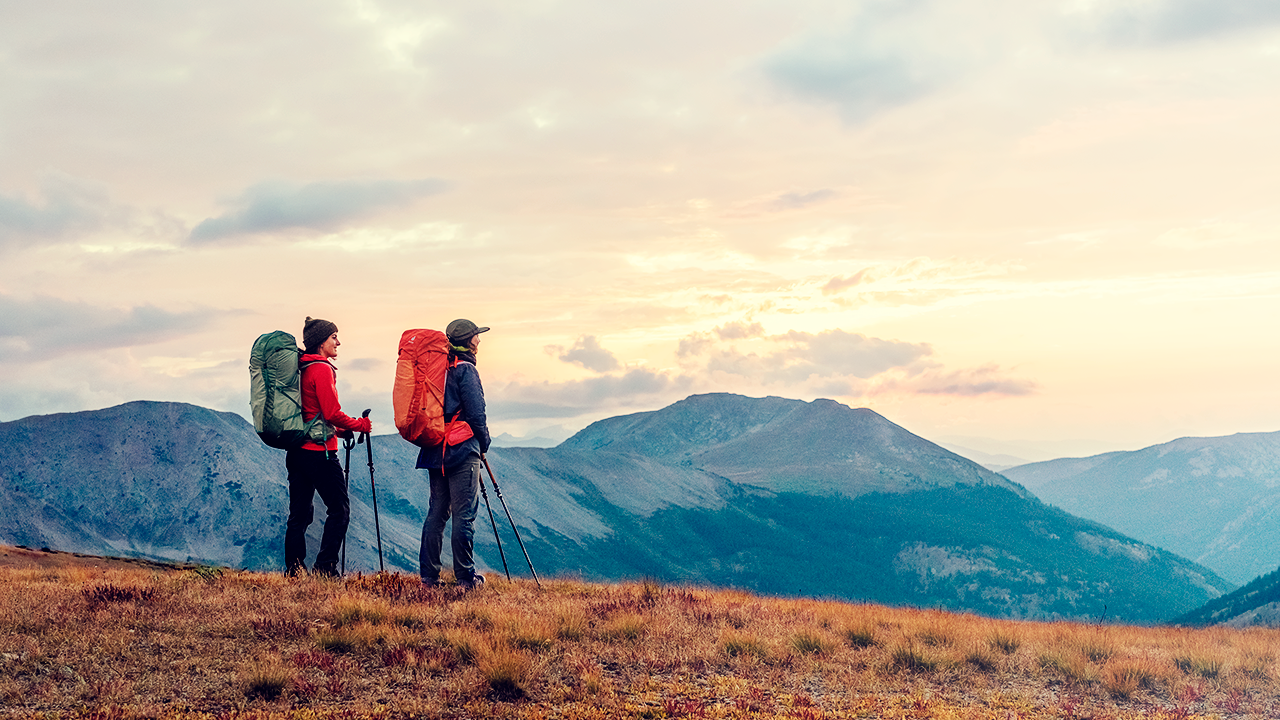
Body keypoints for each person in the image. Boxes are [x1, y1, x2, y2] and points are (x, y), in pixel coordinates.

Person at [286, 316, 372, 577]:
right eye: (334, 337)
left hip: (297, 449)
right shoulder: (321, 369)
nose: (338, 342)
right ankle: (325, 568)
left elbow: (314, 412)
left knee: (299, 514)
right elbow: (332, 412)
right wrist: (359, 425)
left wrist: (341, 429)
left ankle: (294, 570)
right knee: (340, 509)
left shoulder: (301, 368)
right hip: (319, 453)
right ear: (321, 342)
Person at [418, 318, 492, 591]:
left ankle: (428, 578)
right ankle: (465, 577)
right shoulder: (466, 371)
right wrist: (483, 444)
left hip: (435, 446)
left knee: (436, 513)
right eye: (477, 336)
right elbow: (476, 414)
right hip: (461, 449)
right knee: (463, 514)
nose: (480, 340)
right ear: (469, 341)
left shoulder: (438, 370)